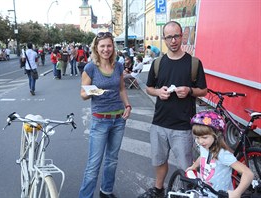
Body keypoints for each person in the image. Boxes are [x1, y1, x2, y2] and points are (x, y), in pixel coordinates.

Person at [138, 21, 207, 198]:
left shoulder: (194, 63)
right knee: (159, 160)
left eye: (176, 36)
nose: (173, 40)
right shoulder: (157, 63)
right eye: (169, 37)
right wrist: (158, 92)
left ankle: (189, 192)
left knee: (186, 165)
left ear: (182, 35)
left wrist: (190, 91)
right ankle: (158, 189)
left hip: (183, 125)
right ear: (164, 39)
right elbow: (149, 88)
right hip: (159, 122)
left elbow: (203, 90)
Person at [79, 32, 132, 198]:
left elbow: (122, 88)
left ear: (113, 47)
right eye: (102, 46)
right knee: (94, 164)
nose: (106, 49)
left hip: (118, 120)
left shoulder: (118, 66)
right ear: (96, 47)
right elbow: (83, 94)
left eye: (109, 45)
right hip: (100, 120)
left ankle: (106, 191)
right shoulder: (90, 68)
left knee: (112, 160)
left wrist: (128, 105)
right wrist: (95, 91)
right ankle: (85, 196)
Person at [188, 110, 254, 198]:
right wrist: (195, 166)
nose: (200, 141)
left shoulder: (222, 154)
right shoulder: (204, 145)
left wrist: (237, 192)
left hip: (221, 195)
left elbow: (248, 173)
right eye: (197, 137)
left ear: (216, 135)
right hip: (206, 192)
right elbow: (202, 156)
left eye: (204, 137)